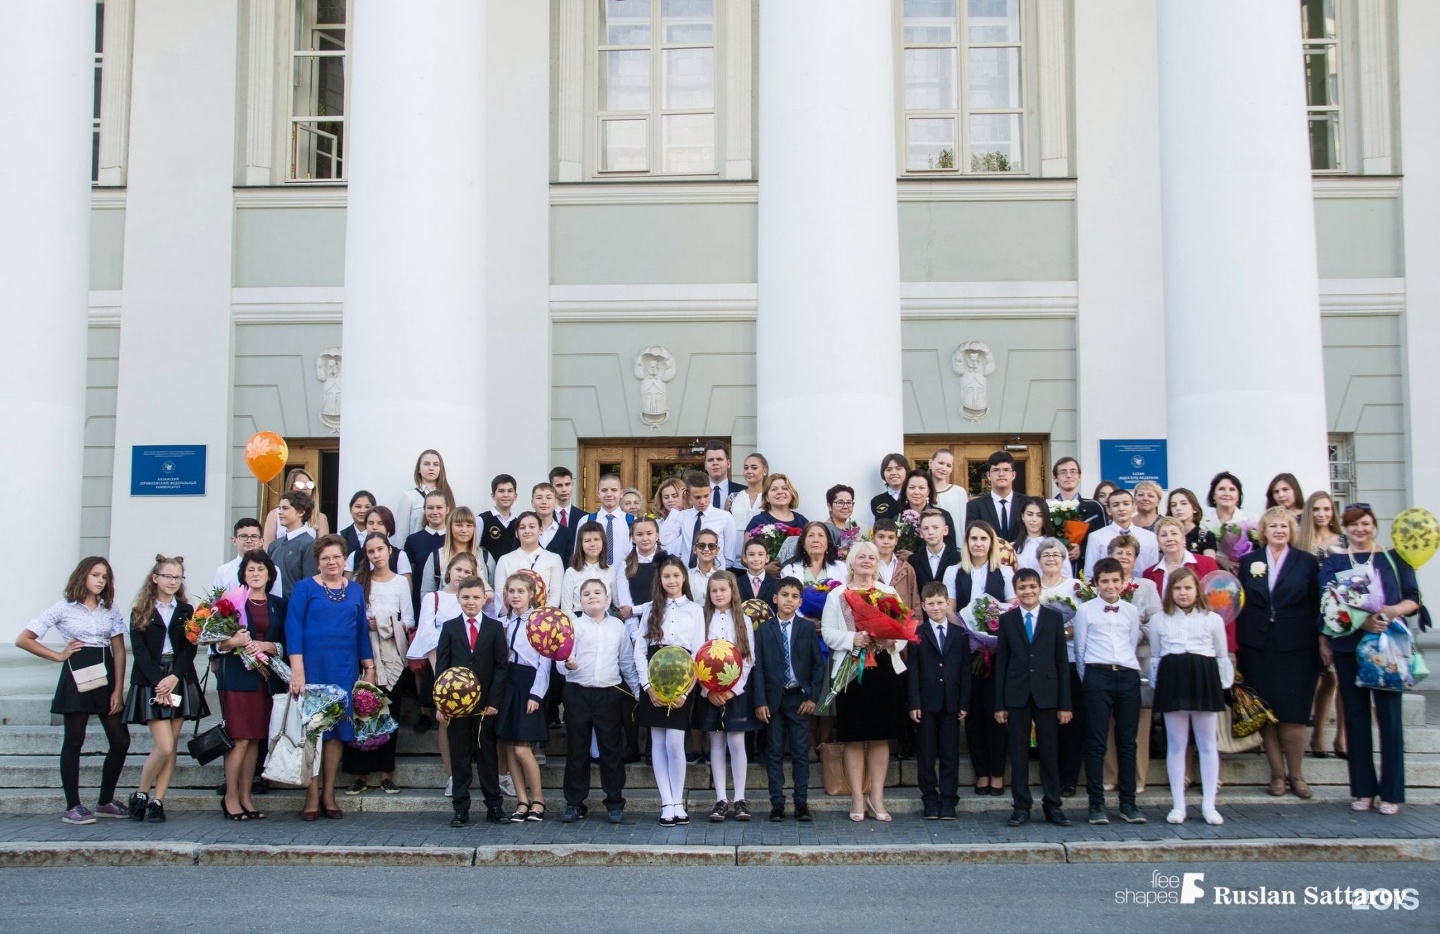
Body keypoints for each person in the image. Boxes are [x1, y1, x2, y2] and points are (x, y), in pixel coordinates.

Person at [1319, 504, 1419, 815]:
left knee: (1389, 718)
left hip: (1388, 647)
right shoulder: (1333, 562)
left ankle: (1391, 793)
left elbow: (1413, 599)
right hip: (1349, 647)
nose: (1359, 529)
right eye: (1352, 525)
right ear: (1345, 529)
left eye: (1365, 523)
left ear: (1374, 525)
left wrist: (1389, 612)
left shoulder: (1393, 557)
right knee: (1356, 718)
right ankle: (1363, 790)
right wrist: (1360, 622)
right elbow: (1325, 602)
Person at [16, 557, 130, 825]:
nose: (101, 580)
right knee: (74, 740)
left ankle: (105, 801)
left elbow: (119, 650)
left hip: (106, 675)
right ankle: (73, 805)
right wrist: (58, 656)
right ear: (82, 576)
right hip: (77, 675)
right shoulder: (63, 608)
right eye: (95, 575)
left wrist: (118, 689)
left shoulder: (110, 609)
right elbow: (24, 639)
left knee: (121, 740)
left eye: (104, 576)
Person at [285, 535, 375, 821]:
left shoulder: (356, 590)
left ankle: (329, 793)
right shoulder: (304, 588)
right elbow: (293, 628)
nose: (332, 562)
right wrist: (297, 668)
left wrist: (369, 667)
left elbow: (361, 630)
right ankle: (311, 795)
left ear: (345, 558)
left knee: (336, 732)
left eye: (336, 557)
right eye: (326, 558)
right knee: (313, 732)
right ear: (318, 561)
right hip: (313, 668)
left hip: (344, 669)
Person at [1236, 506, 1321, 800]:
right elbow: (1240, 605)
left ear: (1291, 531)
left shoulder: (1307, 563)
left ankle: (1296, 774)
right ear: (1263, 531)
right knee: (1266, 713)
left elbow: (1316, 605)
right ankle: (1277, 775)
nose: (1279, 531)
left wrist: (1322, 642)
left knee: (1293, 714)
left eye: (1284, 526)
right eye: (1273, 526)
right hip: (1257, 647)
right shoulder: (1249, 562)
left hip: (1297, 647)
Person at [821, 541, 905, 821]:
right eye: (861, 557)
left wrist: (891, 640)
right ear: (852, 562)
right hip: (850, 668)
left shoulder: (888, 592)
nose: (867, 561)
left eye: (872, 557)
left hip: (883, 669)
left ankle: (877, 797)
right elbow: (829, 633)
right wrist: (852, 638)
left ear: (878, 563)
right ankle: (857, 797)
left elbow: (903, 632)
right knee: (854, 736)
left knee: (880, 736)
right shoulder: (838, 595)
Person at [122, 556, 208, 824]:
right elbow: (140, 652)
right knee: (164, 745)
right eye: (168, 576)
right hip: (152, 679)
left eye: (178, 577)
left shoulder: (186, 610)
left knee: (171, 747)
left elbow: (189, 647)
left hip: (178, 678)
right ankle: (140, 793)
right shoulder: (141, 610)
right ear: (155, 578)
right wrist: (159, 681)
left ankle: (158, 800)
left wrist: (173, 678)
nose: (173, 581)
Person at [1149, 567, 1231, 826]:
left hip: (1203, 677)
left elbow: (1220, 654)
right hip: (1173, 677)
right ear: (1169, 592)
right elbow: (1155, 654)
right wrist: (1156, 683)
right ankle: (1178, 804)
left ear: (1197, 590)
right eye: (1177, 588)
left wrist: (1222, 684)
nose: (1182, 593)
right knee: (1176, 743)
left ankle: (1208, 804)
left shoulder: (1212, 619)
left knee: (1207, 743)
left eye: (1187, 587)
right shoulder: (1159, 620)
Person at [558, 577, 642, 824]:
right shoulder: (573, 625)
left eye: (597, 592)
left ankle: (614, 801)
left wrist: (637, 691)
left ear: (607, 599)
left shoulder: (618, 627)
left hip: (608, 693)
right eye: (586, 593)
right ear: (580, 601)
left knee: (611, 748)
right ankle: (575, 802)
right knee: (577, 749)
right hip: (577, 692)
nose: (592, 596)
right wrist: (567, 665)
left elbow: (626, 662)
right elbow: (561, 659)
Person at [994, 569, 1072, 828]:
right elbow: (1001, 664)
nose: (1027, 591)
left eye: (1031, 586)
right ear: (1015, 592)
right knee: (1018, 753)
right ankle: (1021, 806)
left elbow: (1061, 662)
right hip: (1016, 694)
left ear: (1040, 589)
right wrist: (1000, 704)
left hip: (1047, 694)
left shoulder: (1053, 619)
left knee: (1050, 751)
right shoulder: (1008, 620)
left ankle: (1053, 805)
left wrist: (1065, 704)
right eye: (1022, 587)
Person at [1074, 557, 1146, 826]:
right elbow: (1080, 649)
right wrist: (1090, 678)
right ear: (1096, 583)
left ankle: (1128, 803)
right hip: (1097, 674)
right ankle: (1096, 805)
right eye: (1104, 581)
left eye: (1115, 580)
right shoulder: (1086, 610)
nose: (1110, 585)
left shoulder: (1130, 611)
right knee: (1096, 741)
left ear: (1123, 582)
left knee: (1127, 742)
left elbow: (1131, 642)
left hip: (1127, 675)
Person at [216, 549, 287, 821]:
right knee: (240, 739)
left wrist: (267, 645)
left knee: (256, 739)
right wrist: (235, 642)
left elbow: (284, 643)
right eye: (250, 570)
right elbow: (217, 643)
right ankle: (230, 797)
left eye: (260, 569)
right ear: (243, 575)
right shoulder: (231, 603)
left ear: (270, 574)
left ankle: (247, 796)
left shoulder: (279, 604)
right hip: (237, 678)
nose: (256, 574)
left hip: (266, 679)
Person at [946, 520, 1015, 796]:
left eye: (983, 539)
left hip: (997, 652)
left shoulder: (1005, 572)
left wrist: (992, 630)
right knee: (972, 714)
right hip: (967, 650)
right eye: (973, 538)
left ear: (991, 543)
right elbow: (949, 609)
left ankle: (997, 773)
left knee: (996, 713)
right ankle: (981, 773)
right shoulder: (954, 571)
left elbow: (1012, 606)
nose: (978, 544)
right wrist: (970, 630)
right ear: (967, 543)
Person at [635, 556, 705, 825]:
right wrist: (647, 686)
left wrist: (686, 692)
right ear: (660, 581)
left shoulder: (695, 610)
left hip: (682, 679)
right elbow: (640, 651)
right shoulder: (652, 609)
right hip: (654, 678)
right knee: (659, 742)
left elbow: (698, 653)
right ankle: (666, 802)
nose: (672, 581)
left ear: (684, 578)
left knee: (675, 743)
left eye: (676, 575)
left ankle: (678, 800)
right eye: (666, 577)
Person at [342, 533, 413, 797]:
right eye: (371, 551)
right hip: (364, 655)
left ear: (389, 551)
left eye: (380, 549)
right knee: (362, 713)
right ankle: (360, 774)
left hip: (392, 654)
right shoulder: (359, 582)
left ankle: (386, 773)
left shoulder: (400, 583)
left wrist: (383, 623)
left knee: (389, 716)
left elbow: (409, 620)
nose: (376, 555)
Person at [436, 577, 508, 826]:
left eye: (476, 597)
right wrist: (441, 704)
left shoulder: (494, 627)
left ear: (484, 599)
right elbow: (442, 667)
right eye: (465, 597)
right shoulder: (450, 627)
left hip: (485, 706)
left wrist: (494, 701)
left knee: (487, 755)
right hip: (456, 706)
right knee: (460, 756)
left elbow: (501, 667)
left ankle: (494, 806)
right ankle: (460, 808)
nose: (471, 602)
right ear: (458, 598)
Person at [753, 577, 824, 822]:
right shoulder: (764, 629)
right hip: (773, 700)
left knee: (800, 752)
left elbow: (817, 665)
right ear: (775, 598)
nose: (789, 600)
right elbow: (758, 667)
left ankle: (801, 803)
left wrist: (812, 696)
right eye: (784, 595)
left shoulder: (806, 628)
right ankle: (777, 803)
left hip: (799, 700)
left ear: (800, 601)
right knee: (773, 752)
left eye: (794, 596)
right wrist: (760, 701)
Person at [695, 572, 763, 822]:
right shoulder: (701, 619)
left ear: (733, 591)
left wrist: (733, 689)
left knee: (736, 743)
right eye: (714, 591)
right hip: (709, 693)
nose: (719, 594)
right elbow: (697, 655)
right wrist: (708, 690)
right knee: (716, 743)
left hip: (736, 692)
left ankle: (740, 798)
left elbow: (749, 657)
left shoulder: (742, 619)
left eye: (723, 590)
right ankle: (721, 799)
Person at [409, 551, 478, 793]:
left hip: (471, 668)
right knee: (445, 722)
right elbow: (426, 634)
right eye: (458, 570)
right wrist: (442, 674)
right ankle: (451, 776)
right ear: (449, 571)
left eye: (468, 572)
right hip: (440, 666)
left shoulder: (474, 598)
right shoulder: (434, 599)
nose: (462, 575)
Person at [1102, 534, 1161, 793]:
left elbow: (1156, 623)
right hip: (1107, 660)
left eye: (1128, 554)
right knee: (1108, 722)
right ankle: (1110, 775)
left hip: (1139, 660)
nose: (1123, 558)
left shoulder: (1146, 586)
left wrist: (1135, 634)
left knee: (1139, 723)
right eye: (1118, 553)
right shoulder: (1101, 585)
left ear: (1135, 559)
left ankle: (1136, 778)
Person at [907, 581, 971, 821]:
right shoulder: (917, 634)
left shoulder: (959, 634)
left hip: (951, 703)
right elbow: (912, 671)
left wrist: (964, 702)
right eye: (930, 603)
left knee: (949, 752)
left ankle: (949, 799)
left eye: (940, 603)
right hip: (926, 702)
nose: (936, 607)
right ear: (923, 605)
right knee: (926, 752)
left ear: (948, 603)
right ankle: (930, 799)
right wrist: (913, 703)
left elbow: (965, 670)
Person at [496, 573, 550, 822]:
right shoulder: (502, 622)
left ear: (531, 595)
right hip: (508, 681)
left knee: (522, 748)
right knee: (508, 745)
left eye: (520, 591)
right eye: (511, 591)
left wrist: (536, 694)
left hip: (529, 683)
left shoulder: (539, 622)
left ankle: (538, 799)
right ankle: (521, 800)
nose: (515, 596)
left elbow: (544, 663)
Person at [1300, 490, 1348, 759]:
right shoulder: (1302, 540)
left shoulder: (1342, 540)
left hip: (1340, 615)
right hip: (1310, 614)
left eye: (1327, 509)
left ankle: (1342, 737)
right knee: (1325, 677)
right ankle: (1317, 735)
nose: (1322, 514)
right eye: (1317, 509)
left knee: (1340, 677)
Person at [1035, 538, 1083, 796]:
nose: (1051, 558)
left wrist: (1060, 633)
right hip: (1041, 664)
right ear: (1039, 559)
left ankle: (1069, 777)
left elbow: (1084, 621)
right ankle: (1049, 774)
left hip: (1069, 659)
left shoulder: (1075, 586)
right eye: (1046, 554)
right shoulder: (1033, 587)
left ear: (1065, 559)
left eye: (1057, 554)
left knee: (1070, 722)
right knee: (1045, 724)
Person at [493, 511, 565, 610]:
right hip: (512, 618)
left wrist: (541, 617)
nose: (527, 531)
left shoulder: (554, 558)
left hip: (542, 620)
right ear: (516, 533)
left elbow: (555, 594)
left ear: (541, 530)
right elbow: (500, 593)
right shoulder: (505, 560)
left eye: (532, 527)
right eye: (522, 528)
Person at [1083, 489, 1159, 579]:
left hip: (1142, 589)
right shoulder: (1096, 537)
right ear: (1109, 510)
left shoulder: (1149, 537)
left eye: (1126, 504)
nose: (1121, 509)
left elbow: (1153, 572)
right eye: (1116, 505)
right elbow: (1090, 574)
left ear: (1134, 507)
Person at [419, 506, 483, 605]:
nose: (464, 530)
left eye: (469, 525)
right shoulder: (436, 556)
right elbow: (426, 597)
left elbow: (491, 597)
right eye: (459, 525)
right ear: (450, 527)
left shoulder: (485, 557)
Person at [1145, 517, 1221, 600]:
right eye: (1163, 535)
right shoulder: (1149, 574)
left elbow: (1219, 597)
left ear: (1184, 539)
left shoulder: (1207, 563)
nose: (1169, 539)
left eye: (1174, 533)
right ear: (1158, 542)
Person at [676, 470, 739, 569]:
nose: (703, 501)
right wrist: (678, 506)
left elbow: (729, 557)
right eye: (697, 497)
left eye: (706, 496)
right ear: (688, 495)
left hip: (714, 576)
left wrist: (714, 572)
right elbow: (665, 540)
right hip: (687, 576)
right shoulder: (681, 516)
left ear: (710, 491)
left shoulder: (725, 517)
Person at [965, 451, 1033, 543]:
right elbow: (971, 538)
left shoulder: (1027, 503)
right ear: (988, 475)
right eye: (996, 470)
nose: (1001, 474)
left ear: (1013, 475)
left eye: (1006, 470)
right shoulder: (974, 506)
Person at [1050, 457, 1107, 565]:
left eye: (1073, 471)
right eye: (1063, 472)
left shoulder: (1095, 507)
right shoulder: (1048, 507)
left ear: (1079, 476)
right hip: (1056, 567)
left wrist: (1082, 550)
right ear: (1055, 478)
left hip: (1087, 568)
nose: (1069, 475)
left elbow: (1104, 540)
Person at [395, 449, 454, 549]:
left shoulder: (447, 495)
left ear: (441, 469)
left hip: (444, 550)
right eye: (426, 464)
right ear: (418, 469)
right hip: (417, 551)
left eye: (435, 464)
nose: (431, 468)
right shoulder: (409, 496)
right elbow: (402, 534)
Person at [404, 490, 450, 614]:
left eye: (439, 507)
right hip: (420, 603)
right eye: (430, 508)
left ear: (447, 509)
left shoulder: (454, 539)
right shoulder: (413, 540)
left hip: (449, 604)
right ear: (424, 510)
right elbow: (409, 576)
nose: (435, 512)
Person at [267, 490, 319, 599]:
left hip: (295, 608)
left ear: (301, 512)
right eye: (279, 508)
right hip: (273, 609)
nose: (280, 512)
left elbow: (309, 584)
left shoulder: (309, 545)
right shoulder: (274, 545)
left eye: (285, 508)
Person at [615, 515, 666, 623]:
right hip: (634, 625)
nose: (645, 538)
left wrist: (634, 610)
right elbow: (626, 608)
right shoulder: (626, 566)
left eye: (649, 533)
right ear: (633, 538)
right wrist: (635, 634)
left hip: (663, 621)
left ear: (657, 535)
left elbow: (666, 602)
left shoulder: (667, 563)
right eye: (639, 534)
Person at [262, 468, 330, 545]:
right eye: (300, 484)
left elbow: (323, 548)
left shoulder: (320, 517)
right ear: (290, 486)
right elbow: (268, 545)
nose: (305, 488)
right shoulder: (275, 514)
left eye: (309, 484)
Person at [561, 521, 618, 615]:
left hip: (605, 621)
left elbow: (617, 605)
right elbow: (566, 608)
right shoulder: (571, 572)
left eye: (596, 539)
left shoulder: (610, 571)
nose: (593, 544)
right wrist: (580, 625)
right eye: (587, 541)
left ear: (603, 542)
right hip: (578, 620)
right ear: (580, 544)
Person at [214, 518, 283, 596]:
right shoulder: (223, 571)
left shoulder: (273, 569)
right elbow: (216, 602)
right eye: (243, 536)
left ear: (261, 541)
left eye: (254, 536)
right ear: (234, 540)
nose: (249, 540)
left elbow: (276, 602)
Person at [1202, 471, 1254, 572]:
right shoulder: (1202, 522)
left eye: (1232, 490)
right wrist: (1222, 561)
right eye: (1221, 489)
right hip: (1214, 572)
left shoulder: (1251, 519)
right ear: (1213, 495)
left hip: (1246, 571)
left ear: (1238, 496)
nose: (1227, 493)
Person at [584, 473, 633, 568]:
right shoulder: (587, 520)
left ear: (621, 493)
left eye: (614, 490)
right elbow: (579, 553)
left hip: (624, 575)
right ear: (598, 494)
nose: (609, 494)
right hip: (594, 576)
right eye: (604, 490)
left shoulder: (631, 521)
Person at [903, 470, 958, 550]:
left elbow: (950, 548)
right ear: (905, 491)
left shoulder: (943, 515)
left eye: (921, 488)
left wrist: (914, 557)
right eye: (912, 488)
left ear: (928, 491)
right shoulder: (898, 516)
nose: (916, 492)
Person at [1014, 499, 1071, 576]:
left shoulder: (1057, 547)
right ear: (1023, 516)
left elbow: (1066, 575)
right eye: (1030, 514)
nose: (1034, 519)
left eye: (1039, 515)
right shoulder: (1013, 547)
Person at [780, 521, 846, 587]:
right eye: (811, 535)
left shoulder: (842, 568)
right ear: (803, 544)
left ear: (828, 543)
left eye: (821, 535)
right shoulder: (789, 570)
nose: (816, 540)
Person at [908, 508, 960, 592]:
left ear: (945, 530)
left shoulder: (957, 558)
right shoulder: (914, 560)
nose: (930, 532)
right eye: (925, 528)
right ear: (921, 533)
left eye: (935, 527)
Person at [873, 518, 920, 610]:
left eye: (891, 537)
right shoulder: (867, 566)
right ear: (873, 538)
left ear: (896, 541)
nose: (886, 541)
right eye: (881, 537)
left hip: (902, 621)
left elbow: (915, 602)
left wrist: (917, 624)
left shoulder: (906, 568)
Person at [745, 473, 809, 534]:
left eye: (785, 488)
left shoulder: (802, 521)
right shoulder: (757, 521)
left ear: (791, 494)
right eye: (774, 489)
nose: (780, 492)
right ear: (766, 497)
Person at [479, 474, 520, 566]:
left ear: (515, 496)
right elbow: (474, 549)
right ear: (493, 495)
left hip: (513, 574)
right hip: (487, 574)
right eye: (501, 491)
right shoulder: (482, 520)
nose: (506, 495)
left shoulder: (519, 523)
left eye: (510, 491)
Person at [1166, 487, 1218, 559]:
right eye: (1173, 505)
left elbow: (1209, 565)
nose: (1178, 508)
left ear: (1194, 509)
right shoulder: (1167, 536)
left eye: (1183, 503)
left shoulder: (1205, 536)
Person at [531, 482, 574, 563]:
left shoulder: (566, 533)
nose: (544, 502)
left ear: (556, 503)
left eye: (548, 498)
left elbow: (568, 564)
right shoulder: (524, 531)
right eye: (539, 498)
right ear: (532, 503)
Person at [736, 538, 779, 612]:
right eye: (751, 554)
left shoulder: (776, 584)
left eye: (760, 554)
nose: (756, 559)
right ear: (745, 558)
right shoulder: (736, 583)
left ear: (767, 558)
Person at [729, 452, 769, 531]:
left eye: (754, 468)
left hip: (762, 542)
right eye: (746, 468)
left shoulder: (770, 497)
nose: (749, 471)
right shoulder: (733, 497)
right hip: (736, 542)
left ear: (764, 471)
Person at [702, 440, 746, 511]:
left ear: (728, 463)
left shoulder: (743, 492)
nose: (715, 463)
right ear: (705, 465)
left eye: (719, 459)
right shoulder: (694, 493)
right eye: (710, 460)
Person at [652, 476, 688, 555]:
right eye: (666, 497)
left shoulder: (690, 519)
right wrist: (676, 510)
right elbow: (664, 540)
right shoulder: (657, 523)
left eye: (675, 496)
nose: (670, 500)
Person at [870, 452, 910, 523]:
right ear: (883, 473)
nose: (894, 473)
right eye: (889, 469)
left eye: (898, 468)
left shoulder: (914, 497)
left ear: (906, 471)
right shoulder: (876, 501)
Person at [928, 448, 968, 519]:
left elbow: (964, 519)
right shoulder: (922, 491)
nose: (944, 469)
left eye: (948, 466)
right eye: (941, 463)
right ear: (930, 463)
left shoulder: (958, 492)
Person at [548, 466, 586, 539]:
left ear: (572, 485)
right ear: (551, 487)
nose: (564, 489)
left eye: (567, 484)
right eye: (559, 485)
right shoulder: (543, 516)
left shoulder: (584, 517)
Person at [340, 490, 377, 555]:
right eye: (358, 506)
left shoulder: (379, 535)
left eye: (367, 507)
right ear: (350, 509)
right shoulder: (341, 536)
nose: (362, 511)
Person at [688, 528, 723, 596]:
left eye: (711, 546)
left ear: (717, 550)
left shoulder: (724, 578)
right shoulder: (687, 576)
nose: (706, 549)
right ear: (695, 549)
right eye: (702, 545)